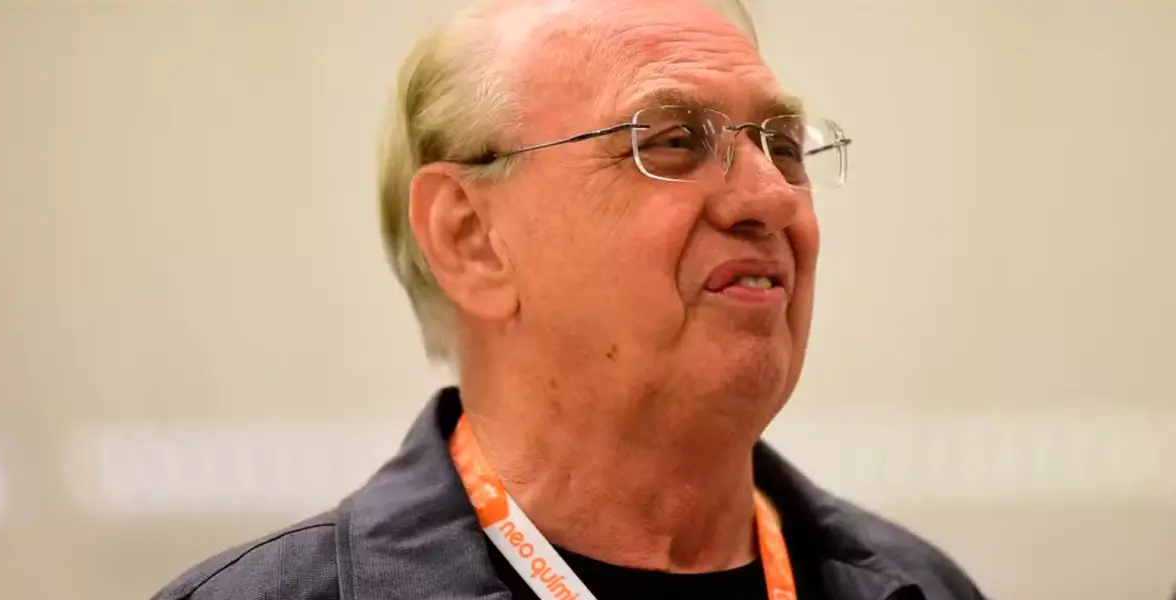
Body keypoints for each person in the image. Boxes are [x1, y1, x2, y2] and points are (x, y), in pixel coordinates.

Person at [153, 0, 988, 598]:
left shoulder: (923, 587)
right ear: (471, 238)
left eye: (781, 144)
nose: (769, 197)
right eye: (669, 140)